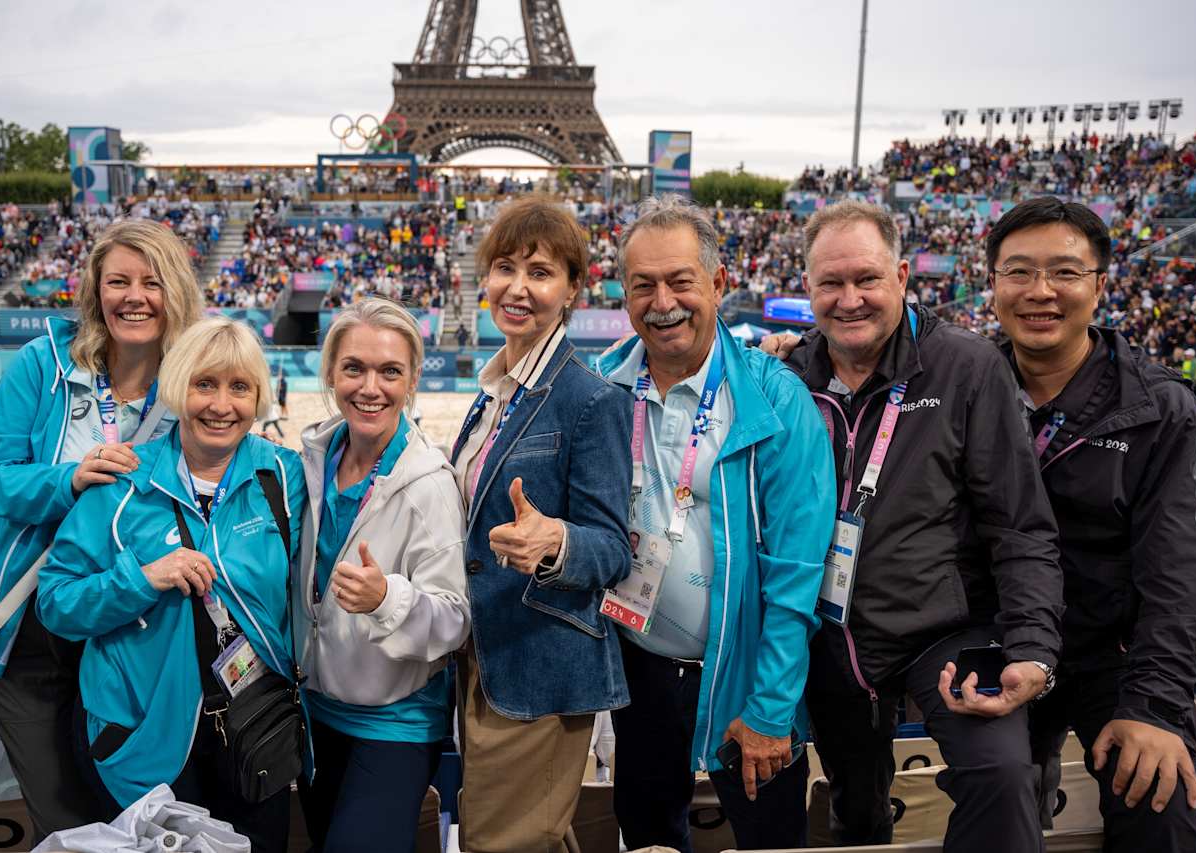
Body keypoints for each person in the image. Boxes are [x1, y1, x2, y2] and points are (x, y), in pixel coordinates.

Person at [762, 200, 1063, 851]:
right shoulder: (785, 376)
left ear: (902, 275)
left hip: (946, 628)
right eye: (830, 284)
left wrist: (1035, 647)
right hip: (832, 639)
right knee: (858, 812)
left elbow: (1021, 527)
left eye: (866, 279)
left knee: (1001, 772)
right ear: (805, 287)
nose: (850, 300)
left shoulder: (966, 366)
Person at [594, 195, 835, 851]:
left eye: (680, 281)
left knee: (768, 837)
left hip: (746, 672)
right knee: (647, 835)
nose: (662, 300)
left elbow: (796, 576)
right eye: (643, 284)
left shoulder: (774, 395)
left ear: (719, 283)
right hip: (639, 666)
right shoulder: (602, 387)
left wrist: (769, 709)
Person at [0, 219, 204, 842]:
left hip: (138, 625)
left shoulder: (192, 376)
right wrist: (65, 481)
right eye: (117, 281)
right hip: (35, 626)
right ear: (95, 290)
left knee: (144, 817)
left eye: (151, 282)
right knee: (66, 819)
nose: (134, 297)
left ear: (174, 292)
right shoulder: (43, 363)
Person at [988, 197, 1196, 850]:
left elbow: (1178, 573)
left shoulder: (1161, 407)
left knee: (1160, 803)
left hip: (1112, 652)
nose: (1040, 292)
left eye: (1064, 272)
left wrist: (1152, 707)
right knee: (989, 797)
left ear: (1101, 286)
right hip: (1000, 640)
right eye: (1019, 272)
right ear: (993, 284)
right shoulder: (966, 383)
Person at [37, 317, 306, 852]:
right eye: (205, 384)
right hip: (144, 734)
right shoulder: (123, 486)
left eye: (239, 387)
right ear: (178, 387)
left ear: (259, 396)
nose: (220, 405)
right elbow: (55, 602)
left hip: (254, 727)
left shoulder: (284, 476)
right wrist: (141, 579)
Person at [450, 196, 632, 853]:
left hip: (540, 663)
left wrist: (554, 540)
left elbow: (613, 546)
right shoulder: (494, 393)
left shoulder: (591, 399)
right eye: (504, 267)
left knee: (502, 843)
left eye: (540, 271)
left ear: (573, 288)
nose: (517, 287)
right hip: (484, 658)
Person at [295, 299, 469, 853]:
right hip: (315, 711)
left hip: (394, 720)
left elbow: (455, 620)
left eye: (389, 372)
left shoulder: (429, 486)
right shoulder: (307, 463)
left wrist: (386, 600)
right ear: (330, 374)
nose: (370, 387)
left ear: (413, 379)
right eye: (354, 369)